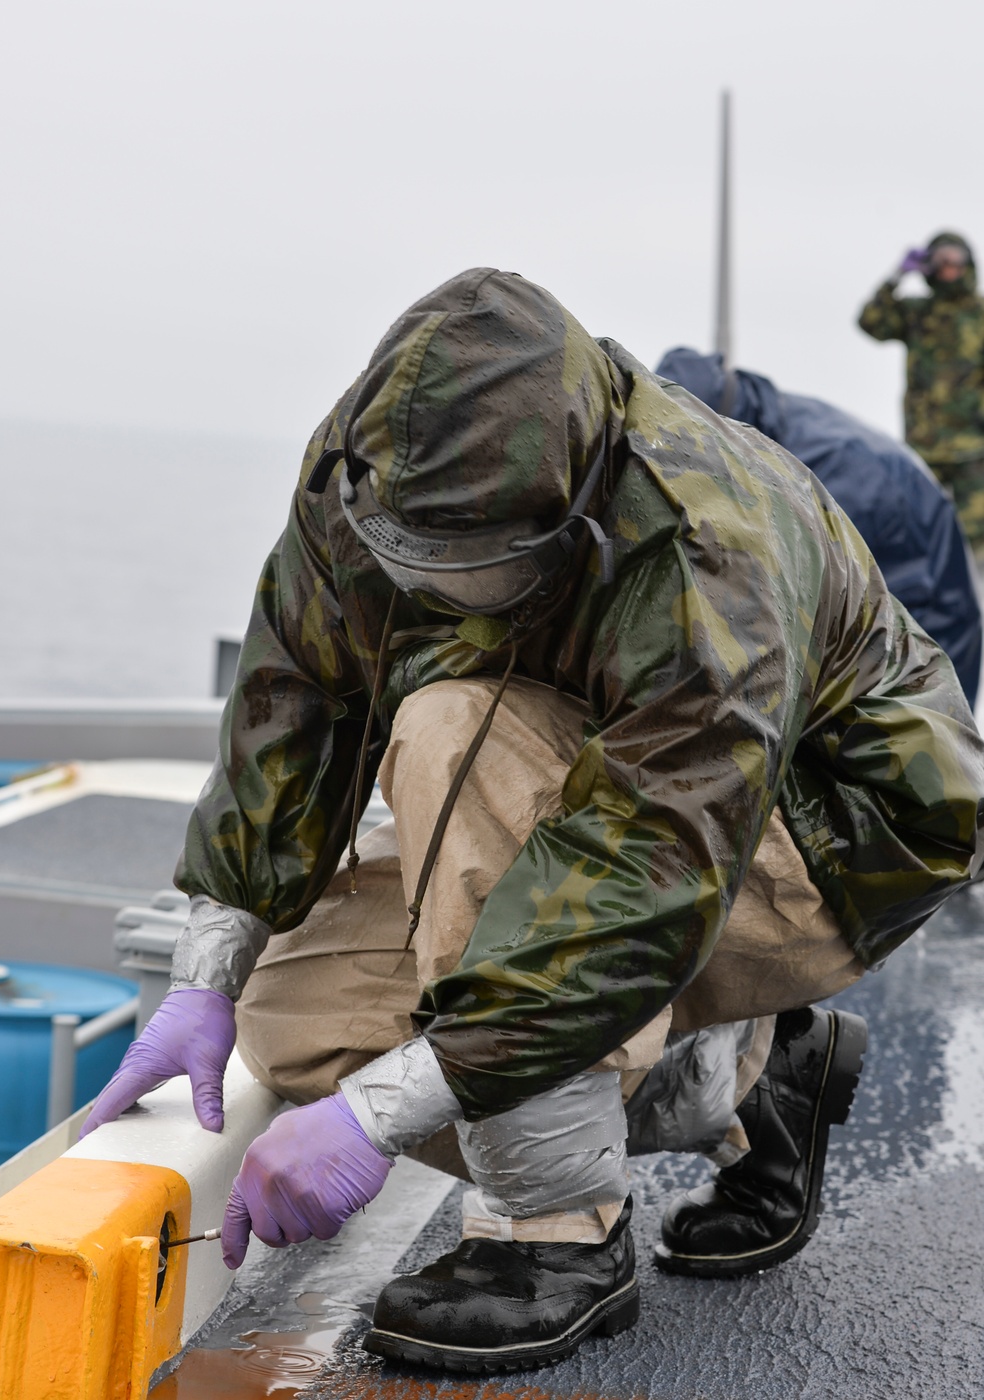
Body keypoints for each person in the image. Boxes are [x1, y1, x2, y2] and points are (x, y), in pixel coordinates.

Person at [81, 269, 984, 1376]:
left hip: (837, 834)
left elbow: (641, 863)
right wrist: (204, 972)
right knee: (299, 1014)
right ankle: (747, 1074)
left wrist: (377, 1116)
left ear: (571, 503)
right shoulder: (358, 475)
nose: (442, 591)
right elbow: (297, 702)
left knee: (457, 727)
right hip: (607, 815)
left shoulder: (705, 541)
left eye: (479, 566)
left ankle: (556, 1238)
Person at [653, 346, 983, 708]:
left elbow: (865, 615)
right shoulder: (757, 422)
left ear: (709, 424)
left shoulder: (833, 473)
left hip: (927, 633)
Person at [858, 232, 984, 557]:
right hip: (924, 445)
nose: (948, 266)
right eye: (940, 258)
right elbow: (870, 322)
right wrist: (896, 277)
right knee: (918, 530)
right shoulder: (917, 312)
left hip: (973, 447)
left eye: (955, 258)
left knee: (978, 541)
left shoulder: (979, 313)